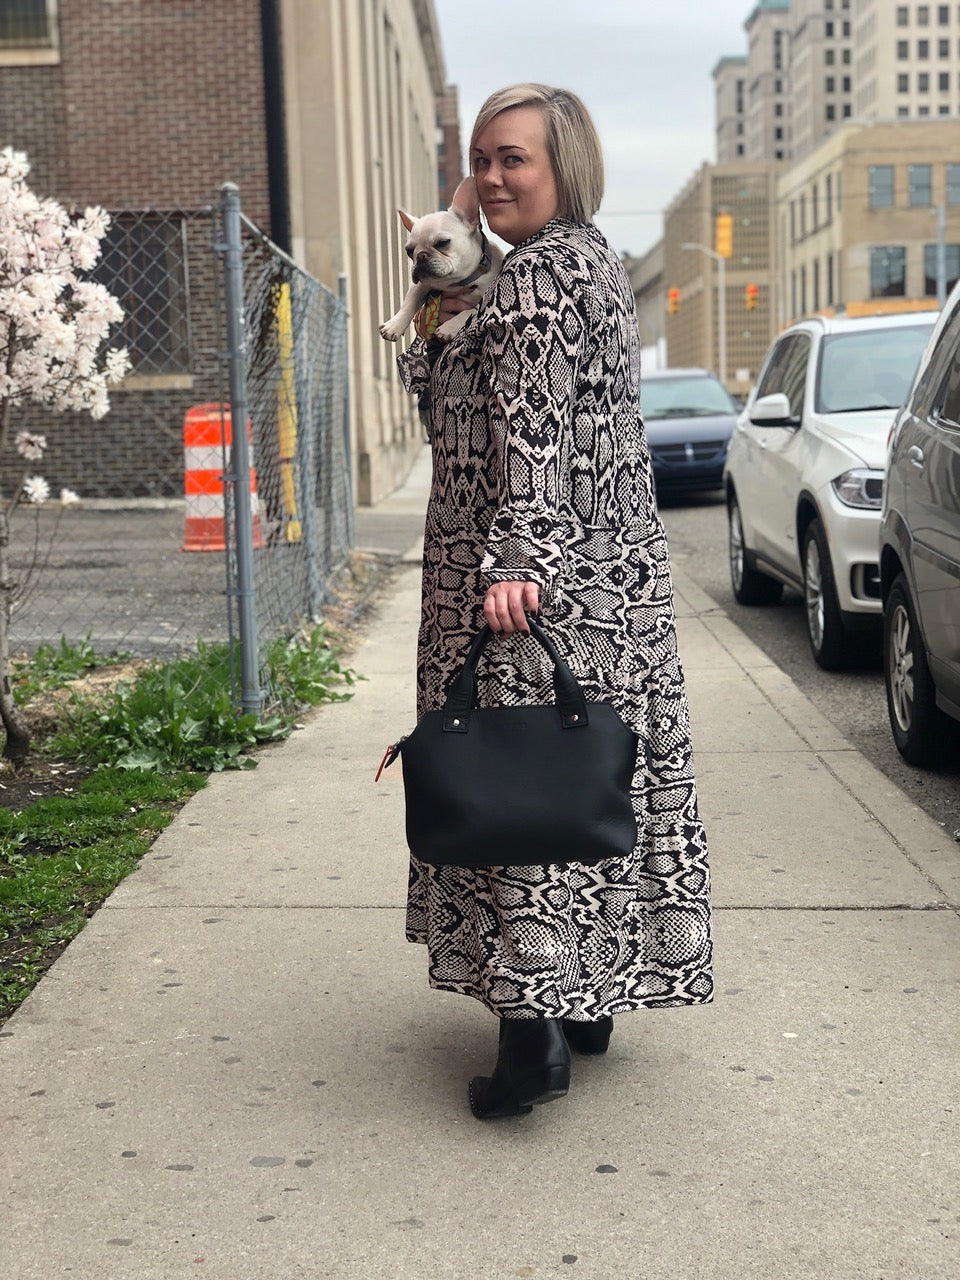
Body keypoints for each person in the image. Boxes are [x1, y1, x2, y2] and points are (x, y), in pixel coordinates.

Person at [396, 83, 713, 1120]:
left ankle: (530, 1040)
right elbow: (530, 416)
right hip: (613, 577)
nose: (491, 178)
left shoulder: (530, 281)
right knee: (591, 784)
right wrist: (435, 339)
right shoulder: (594, 263)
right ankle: (587, 998)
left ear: (562, 164)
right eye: (483, 158)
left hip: (525, 582)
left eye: (513, 159)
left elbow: (530, 434)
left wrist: (515, 564)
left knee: (515, 795)